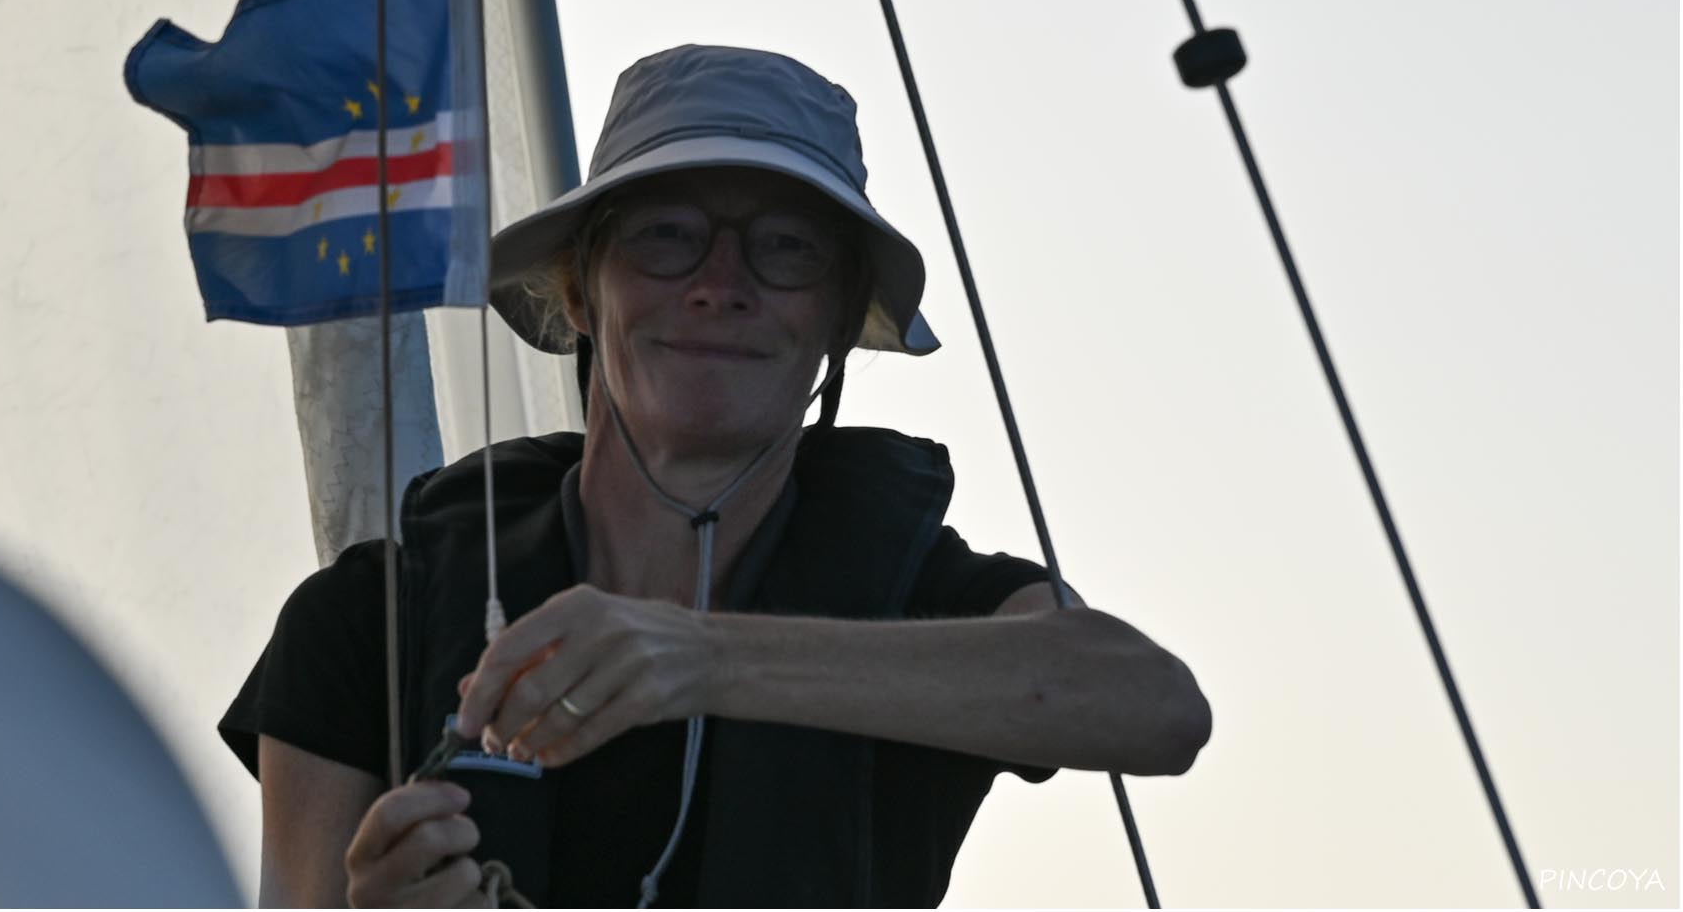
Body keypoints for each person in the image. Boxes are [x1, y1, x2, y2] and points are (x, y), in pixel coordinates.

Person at [223, 44, 1213, 908]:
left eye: (784, 248)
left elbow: (1155, 707)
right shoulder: (360, 622)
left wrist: (705, 658)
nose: (718, 284)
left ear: (835, 319)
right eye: (663, 234)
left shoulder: (926, 598)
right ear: (578, 289)